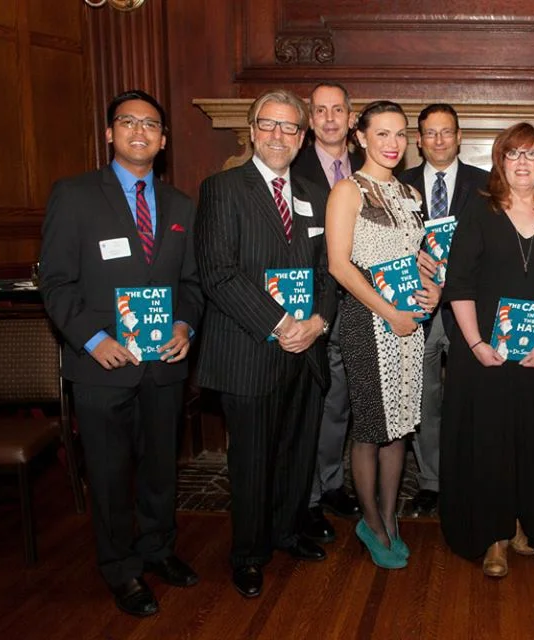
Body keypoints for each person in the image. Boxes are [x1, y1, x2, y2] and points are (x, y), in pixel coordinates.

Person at [39, 89, 204, 617]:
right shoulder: (75, 195)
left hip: (163, 366)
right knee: (109, 475)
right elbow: (56, 283)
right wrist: (93, 339)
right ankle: (120, 568)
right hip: (101, 366)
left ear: (163, 140)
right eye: (128, 122)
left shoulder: (181, 206)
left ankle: (158, 549)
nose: (140, 131)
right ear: (110, 133)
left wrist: (184, 324)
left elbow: (192, 283)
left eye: (151, 124)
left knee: (160, 469)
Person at [195, 88, 337, 598]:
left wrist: (319, 322)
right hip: (248, 349)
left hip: (307, 350)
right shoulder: (222, 189)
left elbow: (329, 269)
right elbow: (218, 272)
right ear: (253, 131)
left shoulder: (315, 195)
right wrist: (281, 324)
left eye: (289, 127)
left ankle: (287, 532)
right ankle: (249, 553)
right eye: (268, 124)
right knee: (252, 459)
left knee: (297, 451)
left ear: (302, 137)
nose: (278, 135)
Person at [440, 123, 534, 578]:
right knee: (489, 443)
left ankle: (524, 521)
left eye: (531, 154)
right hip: (483, 355)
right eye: (513, 154)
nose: (522, 162)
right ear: (500, 162)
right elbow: (459, 284)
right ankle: (494, 535)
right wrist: (476, 344)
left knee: (532, 443)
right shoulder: (479, 211)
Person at [325, 101, 441, 569]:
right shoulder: (347, 191)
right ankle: (370, 523)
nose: (393, 144)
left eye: (399, 134)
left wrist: (431, 285)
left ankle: (391, 518)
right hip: (368, 321)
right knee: (372, 427)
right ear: (361, 138)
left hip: (409, 323)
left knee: (401, 426)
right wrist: (390, 312)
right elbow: (340, 266)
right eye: (382, 134)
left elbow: (417, 258)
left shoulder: (410, 194)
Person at [399, 104, 490, 516]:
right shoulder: (398, 185)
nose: (439, 140)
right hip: (416, 309)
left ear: (459, 137)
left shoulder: (486, 185)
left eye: (446, 132)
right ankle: (432, 480)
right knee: (424, 400)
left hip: (468, 309)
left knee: (472, 397)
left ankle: (472, 474)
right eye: (430, 133)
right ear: (418, 140)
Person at [291, 82, 363, 544]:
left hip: (361, 302)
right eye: (320, 110)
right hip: (313, 304)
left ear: (352, 118)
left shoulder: (371, 164)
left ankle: (332, 483)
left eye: (338, 109)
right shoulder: (291, 166)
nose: (330, 118)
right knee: (311, 407)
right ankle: (309, 498)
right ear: (310, 118)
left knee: (339, 405)